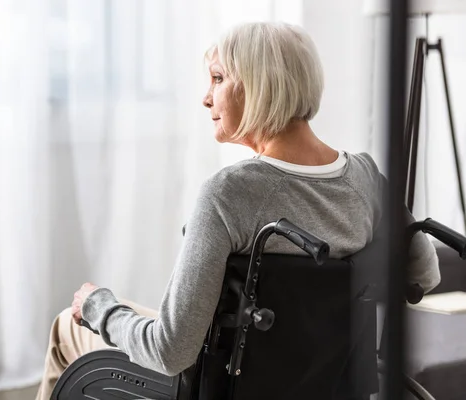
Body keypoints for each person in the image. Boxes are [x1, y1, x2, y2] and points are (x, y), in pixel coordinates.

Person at [35, 22, 440, 399]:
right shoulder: (366, 177)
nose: (206, 97)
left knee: (66, 327)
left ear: (258, 87)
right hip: (327, 384)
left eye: (218, 78)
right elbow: (425, 274)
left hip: (218, 382)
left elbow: (169, 351)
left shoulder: (228, 195)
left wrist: (99, 307)